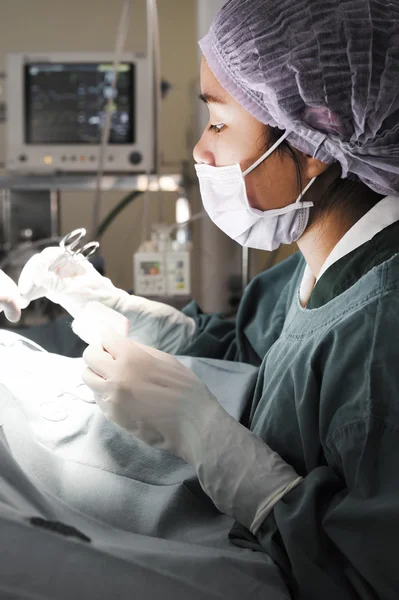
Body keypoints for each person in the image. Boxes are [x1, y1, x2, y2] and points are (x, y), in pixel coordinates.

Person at [2, 0, 399, 597]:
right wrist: (115, 309)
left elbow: (366, 579)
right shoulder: (325, 258)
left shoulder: (383, 335)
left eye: (217, 123)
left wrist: (213, 443)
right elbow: (250, 353)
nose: (199, 151)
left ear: (315, 134)